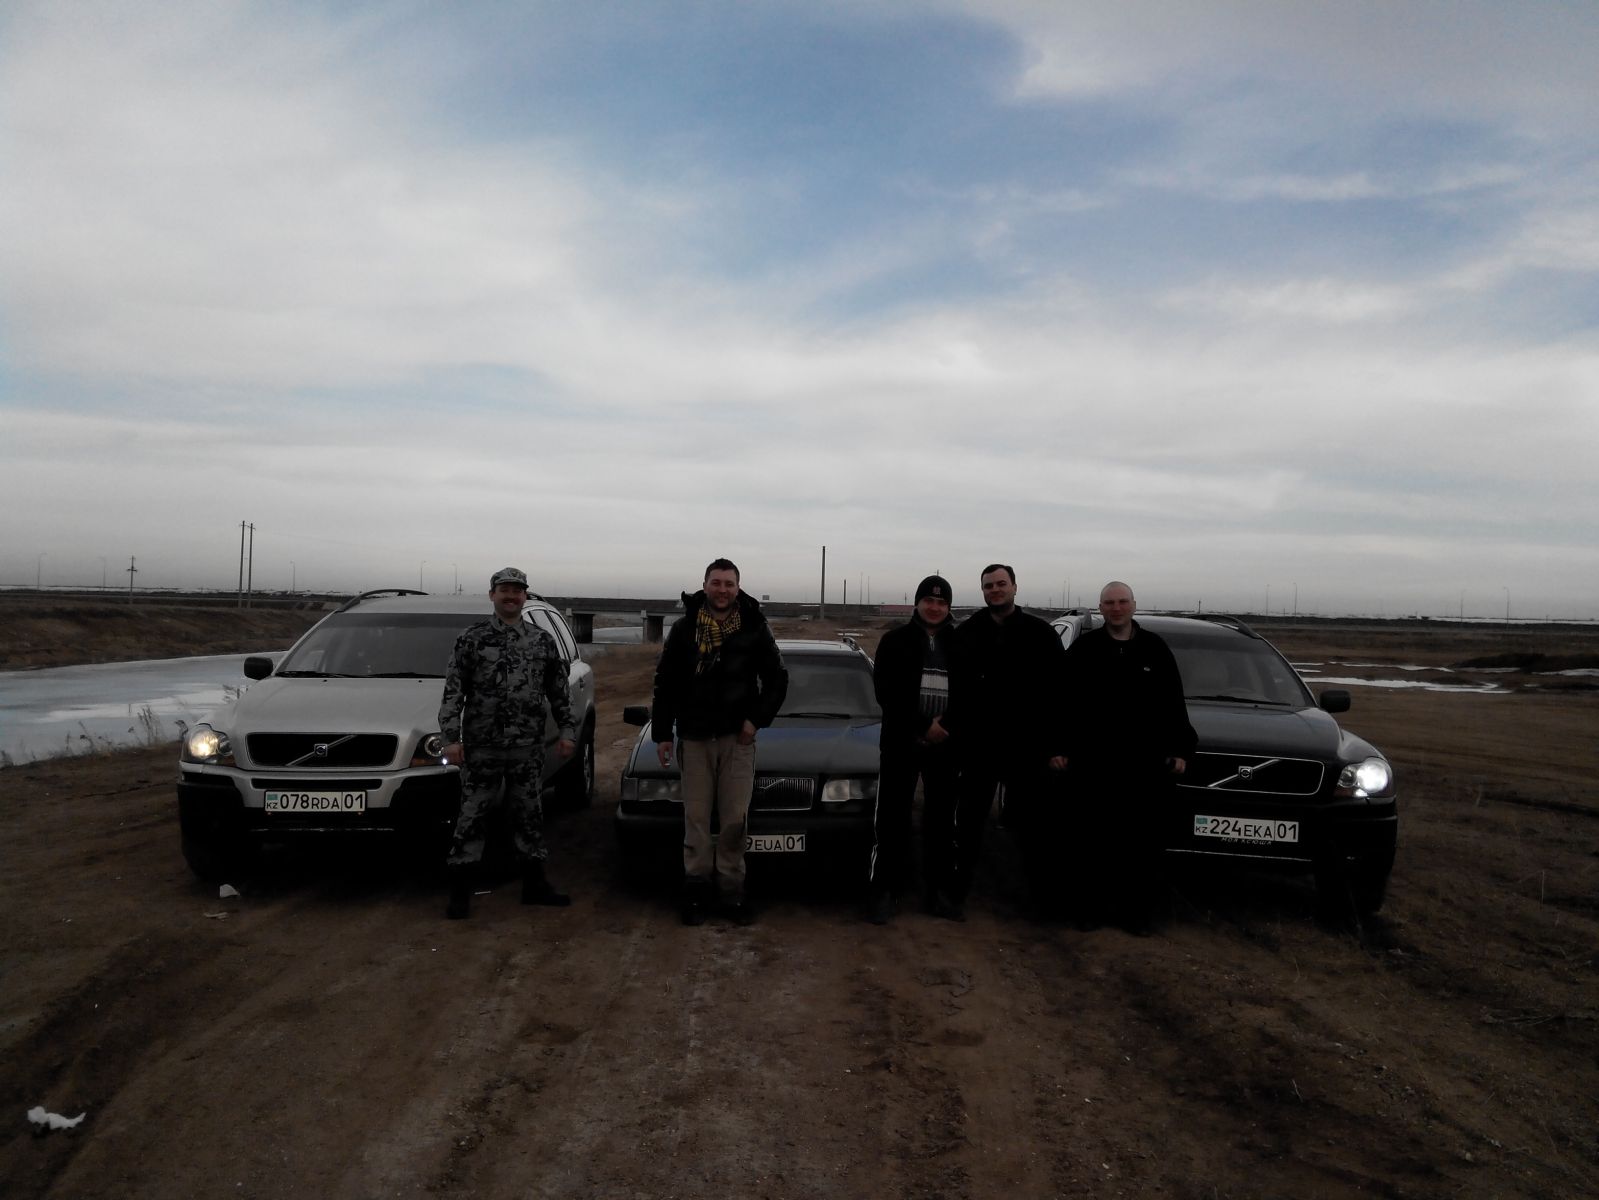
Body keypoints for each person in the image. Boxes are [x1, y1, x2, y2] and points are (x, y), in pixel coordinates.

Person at [649, 558, 788, 926]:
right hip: (694, 738)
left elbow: (777, 679)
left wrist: (755, 721)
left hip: (737, 741)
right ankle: (695, 890)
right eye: (716, 582)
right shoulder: (684, 628)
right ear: (705, 585)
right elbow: (665, 682)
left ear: (737, 588)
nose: (722, 589)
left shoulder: (755, 627)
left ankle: (731, 892)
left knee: (734, 821)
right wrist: (662, 733)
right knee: (695, 820)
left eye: (729, 583)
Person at [439, 566, 577, 920]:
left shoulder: (542, 641)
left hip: (527, 747)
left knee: (529, 816)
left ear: (525, 596)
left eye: (517, 590)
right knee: (472, 817)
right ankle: (460, 892)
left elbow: (559, 692)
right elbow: (453, 692)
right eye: (505, 590)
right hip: (482, 748)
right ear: (493, 595)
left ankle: (535, 885)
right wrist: (450, 739)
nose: (511, 596)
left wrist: (567, 731)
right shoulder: (472, 639)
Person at [1061, 581, 1196, 935]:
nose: (1116, 608)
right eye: (1109, 603)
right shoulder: (1085, 649)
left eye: (1122, 601)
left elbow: (1174, 703)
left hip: (1144, 767)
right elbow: (1062, 702)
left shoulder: (1155, 649)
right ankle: (1089, 911)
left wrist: (1181, 749)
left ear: (1134, 605)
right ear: (1101, 608)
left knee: (1140, 845)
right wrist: (1058, 747)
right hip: (1093, 765)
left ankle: (1136, 915)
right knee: (1092, 843)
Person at [935, 563, 1068, 919]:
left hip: (1028, 748)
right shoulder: (967, 633)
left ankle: (1042, 903)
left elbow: (1059, 694)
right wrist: (952, 734)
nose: (995, 590)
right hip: (978, 747)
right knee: (968, 825)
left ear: (1014, 587)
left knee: (1034, 827)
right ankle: (955, 896)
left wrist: (1057, 745)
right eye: (988, 585)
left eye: (1001, 584)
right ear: (982, 591)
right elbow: (956, 692)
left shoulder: (1040, 634)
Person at [865, 574, 958, 925]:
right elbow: (886, 692)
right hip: (901, 743)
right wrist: (921, 726)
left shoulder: (960, 643)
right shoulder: (894, 641)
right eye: (928, 601)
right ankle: (884, 891)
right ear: (917, 603)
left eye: (941, 602)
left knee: (942, 822)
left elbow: (970, 694)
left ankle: (938, 893)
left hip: (945, 745)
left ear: (948, 607)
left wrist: (945, 727)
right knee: (891, 819)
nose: (934, 607)